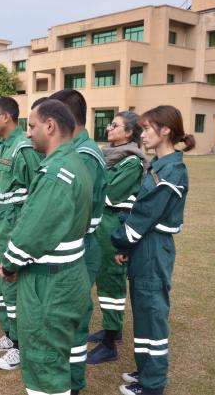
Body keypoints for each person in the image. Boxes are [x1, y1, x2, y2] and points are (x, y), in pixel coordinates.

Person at [0, 99, 92, 395]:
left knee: (43, 364)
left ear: (50, 126)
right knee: (57, 355)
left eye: (32, 126)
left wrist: (10, 264)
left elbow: (31, 232)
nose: (28, 134)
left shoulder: (55, 172)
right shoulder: (74, 161)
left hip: (49, 283)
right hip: (67, 275)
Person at [112, 106, 194, 395]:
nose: (142, 133)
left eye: (147, 128)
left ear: (166, 130)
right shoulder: (159, 165)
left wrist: (121, 241)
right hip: (143, 247)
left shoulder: (172, 169)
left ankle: (153, 384)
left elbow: (144, 214)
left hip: (153, 248)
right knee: (144, 312)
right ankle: (145, 372)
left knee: (153, 315)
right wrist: (128, 248)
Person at [49, 89, 107, 394]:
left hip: (81, 248)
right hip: (79, 245)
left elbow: (70, 213)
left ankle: (72, 384)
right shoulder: (79, 150)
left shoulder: (83, 156)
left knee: (73, 319)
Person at [0, 97, 41, 371]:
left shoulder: (23, 149)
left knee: (14, 289)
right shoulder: (3, 146)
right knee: (1, 288)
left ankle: (20, 346)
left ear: (7, 117)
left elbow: (35, 198)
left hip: (12, 232)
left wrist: (21, 240)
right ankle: (9, 336)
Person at [87, 112, 148, 364]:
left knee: (111, 282)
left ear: (129, 133)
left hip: (114, 224)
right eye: (110, 124)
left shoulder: (131, 161)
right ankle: (113, 328)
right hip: (102, 223)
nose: (109, 128)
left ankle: (110, 343)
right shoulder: (108, 156)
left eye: (115, 125)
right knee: (103, 279)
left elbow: (108, 193)